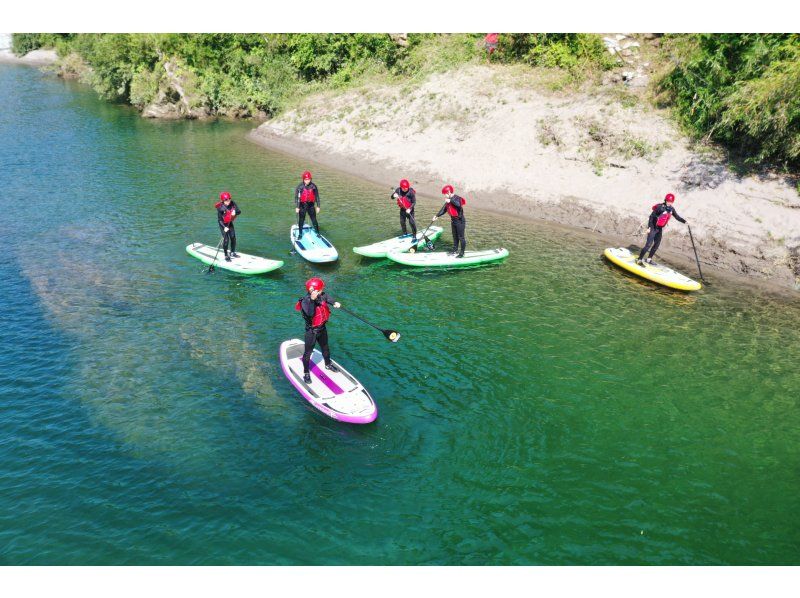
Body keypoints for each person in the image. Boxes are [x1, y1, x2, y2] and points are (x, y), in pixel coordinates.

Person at [295, 277, 341, 384]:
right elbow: (310, 313)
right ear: (313, 290)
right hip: (312, 332)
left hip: (322, 328)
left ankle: (328, 364)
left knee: (325, 348)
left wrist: (334, 303)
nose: (322, 291)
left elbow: (327, 297)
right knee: (308, 353)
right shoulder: (305, 302)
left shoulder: (321, 295)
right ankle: (306, 373)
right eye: (320, 289)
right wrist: (312, 299)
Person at [637, 193, 687, 265]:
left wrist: (685, 222)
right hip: (653, 227)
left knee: (656, 244)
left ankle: (649, 259)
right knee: (648, 245)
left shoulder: (671, 209)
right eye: (668, 201)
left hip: (659, 229)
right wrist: (649, 228)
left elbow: (677, 217)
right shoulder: (660, 207)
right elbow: (651, 217)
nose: (669, 202)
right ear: (665, 200)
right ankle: (639, 259)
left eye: (671, 201)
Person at [433, 184, 467, 257]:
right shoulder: (448, 201)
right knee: (455, 237)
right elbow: (444, 210)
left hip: (460, 221)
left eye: (445, 194)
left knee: (461, 237)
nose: (444, 195)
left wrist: (450, 200)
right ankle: (455, 250)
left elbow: (459, 205)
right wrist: (436, 216)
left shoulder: (457, 198)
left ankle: (462, 253)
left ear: (448, 192)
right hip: (453, 221)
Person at [215, 191, 241, 261]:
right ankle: (226, 255)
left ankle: (232, 252)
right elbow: (219, 220)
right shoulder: (220, 208)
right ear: (223, 201)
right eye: (226, 200)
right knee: (226, 240)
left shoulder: (232, 203)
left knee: (233, 237)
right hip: (223, 224)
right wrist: (224, 227)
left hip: (229, 223)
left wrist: (235, 212)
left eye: (229, 199)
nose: (228, 201)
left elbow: (239, 212)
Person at [294, 170, 320, 240]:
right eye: (306, 179)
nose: (307, 181)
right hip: (302, 206)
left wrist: (318, 206)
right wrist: (297, 207)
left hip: (311, 206)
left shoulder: (314, 186)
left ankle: (318, 233)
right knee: (301, 220)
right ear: (303, 179)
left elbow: (317, 196)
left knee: (314, 220)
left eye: (308, 179)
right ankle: (300, 234)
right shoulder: (300, 187)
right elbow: (296, 197)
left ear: (310, 179)